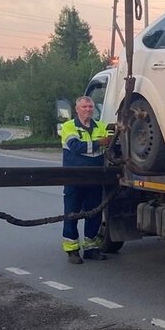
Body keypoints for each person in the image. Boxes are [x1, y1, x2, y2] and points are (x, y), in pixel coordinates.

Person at [61, 95, 111, 263]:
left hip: (95, 177)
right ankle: (72, 250)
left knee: (94, 213)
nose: (88, 109)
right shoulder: (68, 127)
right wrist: (99, 143)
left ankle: (90, 248)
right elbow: (76, 147)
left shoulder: (100, 126)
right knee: (71, 213)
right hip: (74, 177)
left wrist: (106, 141)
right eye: (84, 107)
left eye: (90, 107)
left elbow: (110, 143)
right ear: (77, 109)